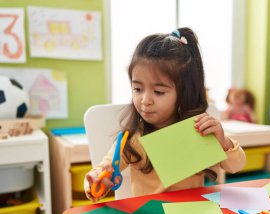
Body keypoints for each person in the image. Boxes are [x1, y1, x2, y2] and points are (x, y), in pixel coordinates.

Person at [84, 28, 246, 202]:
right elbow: (102, 171)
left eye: (159, 92)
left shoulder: (198, 129)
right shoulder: (131, 139)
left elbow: (237, 166)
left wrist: (223, 142)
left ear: (184, 93)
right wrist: (96, 180)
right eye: (137, 89)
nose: (145, 100)